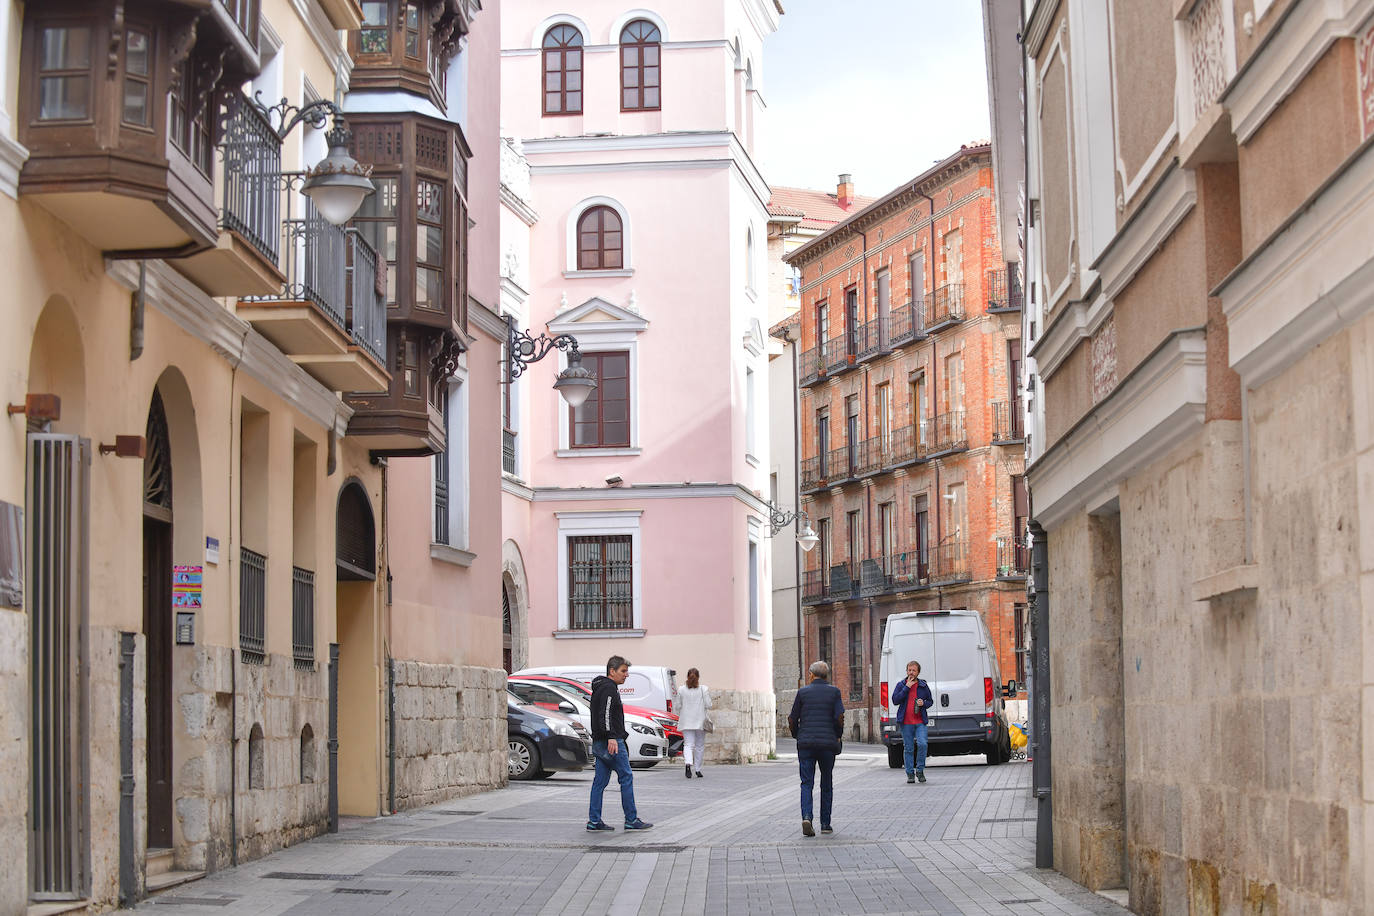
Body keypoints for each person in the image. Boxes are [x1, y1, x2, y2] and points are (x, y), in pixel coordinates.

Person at [587, 655, 652, 831]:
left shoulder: (601, 687)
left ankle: (594, 821)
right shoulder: (609, 688)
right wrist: (611, 737)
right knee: (626, 776)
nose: (626, 675)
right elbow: (605, 714)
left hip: (600, 742)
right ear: (612, 671)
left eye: (627, 671)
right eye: (623, 671)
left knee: (599, 782)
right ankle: (631, 819)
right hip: (611, 742)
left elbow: (601, 714)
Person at [787, 660, 844, 837]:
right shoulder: (834, 692)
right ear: (826, 675)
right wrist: (837, 734)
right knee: (826, 782)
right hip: (827, 744)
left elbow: (791, 718)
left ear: (811, 674)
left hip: (806, 744)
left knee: (806, 782)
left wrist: (797, 734)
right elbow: (839, 716)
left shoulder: (802, 692)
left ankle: (806, 817)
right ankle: (825, 824)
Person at [890, 659, 933, 783]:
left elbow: (930, 701)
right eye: (909, 670)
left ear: (918, 672)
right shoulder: (901, 685)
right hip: (906, 722)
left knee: (922, 744)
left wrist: (923, 703)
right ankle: (910, 773)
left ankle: (920, 770)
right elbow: (895, 700)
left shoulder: (923, 686)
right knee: (908, 748)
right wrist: (906, 688)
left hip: (920, 722)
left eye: (914, 670)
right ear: (906, 671)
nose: (911, 672)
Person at [676, 667, 712, 778]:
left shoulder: (681, 689)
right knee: (699, 745)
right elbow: (709, 704)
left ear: (687, 677)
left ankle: (688, 763)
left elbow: (678, 706)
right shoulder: (703, 689)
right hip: (700, 721)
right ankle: (697, 769)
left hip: (686, 721)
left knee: (688, 744)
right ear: (699, 677)